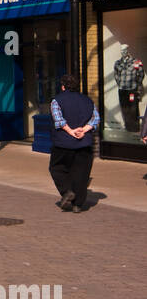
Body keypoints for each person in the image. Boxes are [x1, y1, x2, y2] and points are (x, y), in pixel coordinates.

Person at [49, 74, 100, 214]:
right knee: (81, 173)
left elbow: (58, 120)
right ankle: (78, 204)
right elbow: (95, 119)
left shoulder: (57, 100)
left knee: (56, 168)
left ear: (63, 86)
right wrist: (83, 130)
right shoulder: (88, 101)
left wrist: (71, 132)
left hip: (63, 143)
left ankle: (67, 192)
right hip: (84, 143)